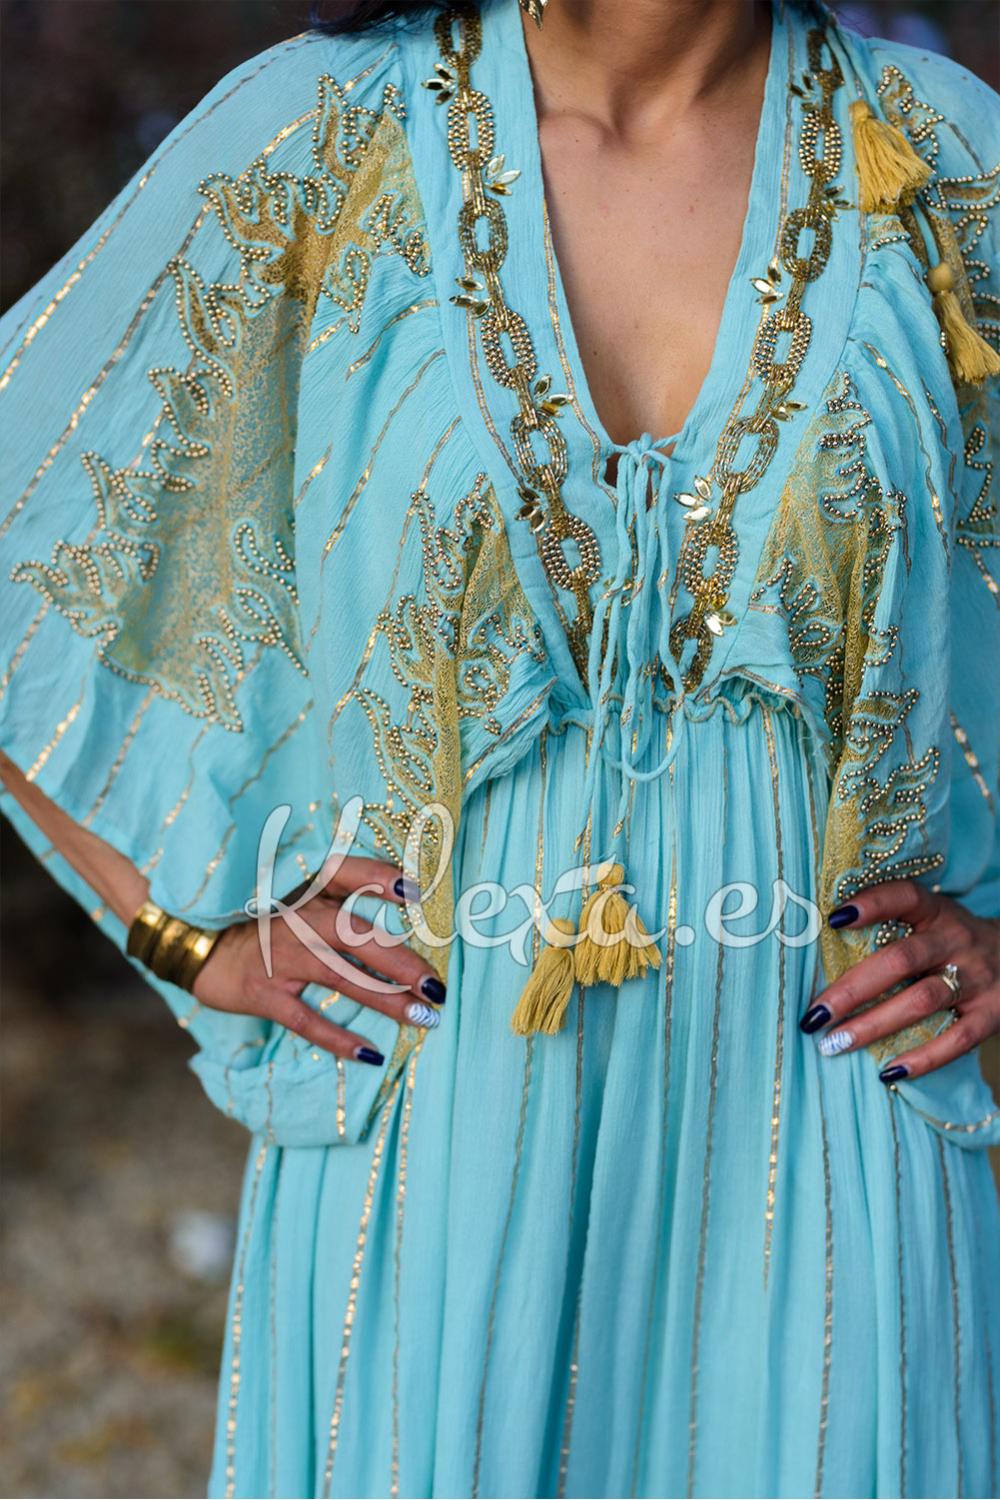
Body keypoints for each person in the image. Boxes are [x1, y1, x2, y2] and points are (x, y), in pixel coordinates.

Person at [1, 0, 999, 1494]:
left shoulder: (940, 157)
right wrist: (179, 933)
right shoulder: (319, 136)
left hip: (839, 1129)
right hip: (442, 1136)